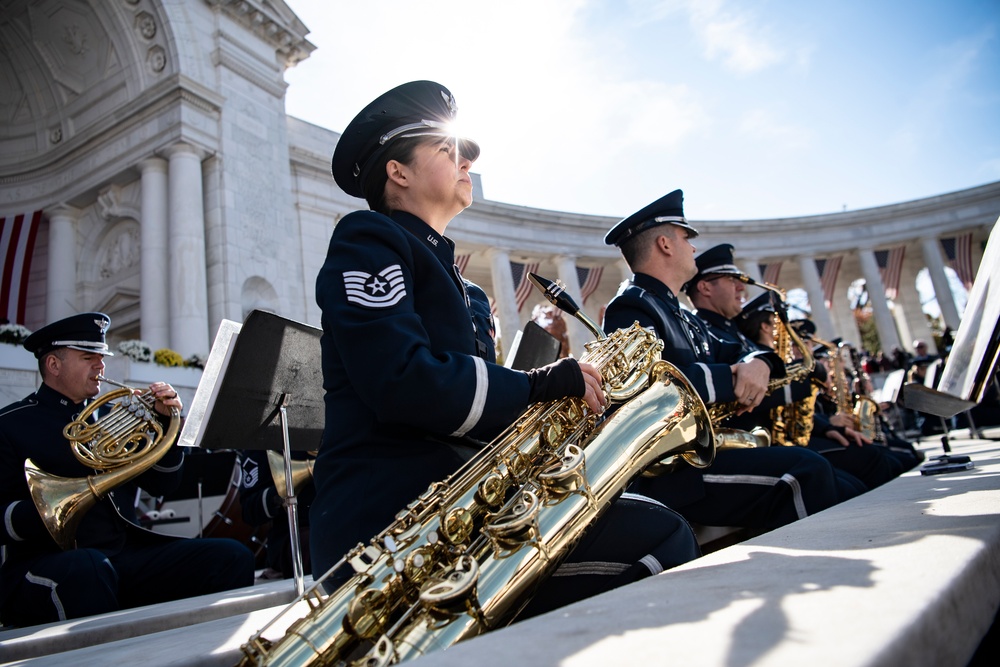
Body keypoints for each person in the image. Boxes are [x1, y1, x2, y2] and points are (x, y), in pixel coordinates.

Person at [311, 81, 701, 616]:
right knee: (659, 538)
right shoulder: (368, 238)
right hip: (385, 525)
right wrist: (539, 386)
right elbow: (401, 380)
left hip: (453, 510)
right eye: (448, 149)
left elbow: (468, 401)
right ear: (397, 172)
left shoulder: (462, 286)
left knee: (655, 526)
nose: (468, 158)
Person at [603, 189, 863, 533]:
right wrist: (734, 378)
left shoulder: (682, 314)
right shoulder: (632, 305)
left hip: (708, 458)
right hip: (679, 474)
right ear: (665, 244)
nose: (693, 246)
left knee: (843, 482)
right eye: (685, 237)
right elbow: (655, 385)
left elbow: (737, 351)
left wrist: (760, 363)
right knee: (805, 471)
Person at [0, 313, 254, 627]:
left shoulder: (111, 415)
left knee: (231, 557)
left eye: (102, 357)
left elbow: (166, 485)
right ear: (53, 365)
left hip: (123, 554)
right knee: (90, 568)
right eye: (88, 357)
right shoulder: (11, 423)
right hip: (46, 562)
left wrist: (165, 423)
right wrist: (52, 509)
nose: (100, 366)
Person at [735, 292, 905, 488]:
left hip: (802, 436)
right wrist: (827, 423)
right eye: (778, 321)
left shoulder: (770, 357)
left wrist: (828, 426)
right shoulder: (756, 358)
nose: (786, 331)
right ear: (765, 326)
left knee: (884, 458)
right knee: (867, 467)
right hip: (783, 441)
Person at [237, 448, 315, 579]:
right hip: (293, 535)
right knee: (327, 545)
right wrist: (282, 492)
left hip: (334, 522)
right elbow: (249, 510)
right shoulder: (263, 443)